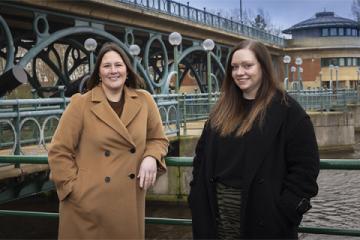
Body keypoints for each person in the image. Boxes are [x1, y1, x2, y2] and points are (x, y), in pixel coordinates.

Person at [188, 40, 319, 239]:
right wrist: (196, 197)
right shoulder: (221, 110)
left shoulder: (289, 112)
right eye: (234, 67)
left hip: (264, 219)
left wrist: (284, 212)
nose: (240, 72)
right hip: (215, 217)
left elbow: (305, 169)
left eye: (248, 65)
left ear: (263, 67)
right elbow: (201, 157)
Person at [48, 42, 169, 239]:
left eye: (118, 65)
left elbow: (158, 139)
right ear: (99, 72)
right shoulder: (81, 104)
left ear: (127, 71)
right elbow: (58, 151)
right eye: (107, 66)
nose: (113, 71)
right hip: (86, 207)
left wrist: (151, 157)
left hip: (128, 200)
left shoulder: (144, 100)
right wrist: (74, 190)